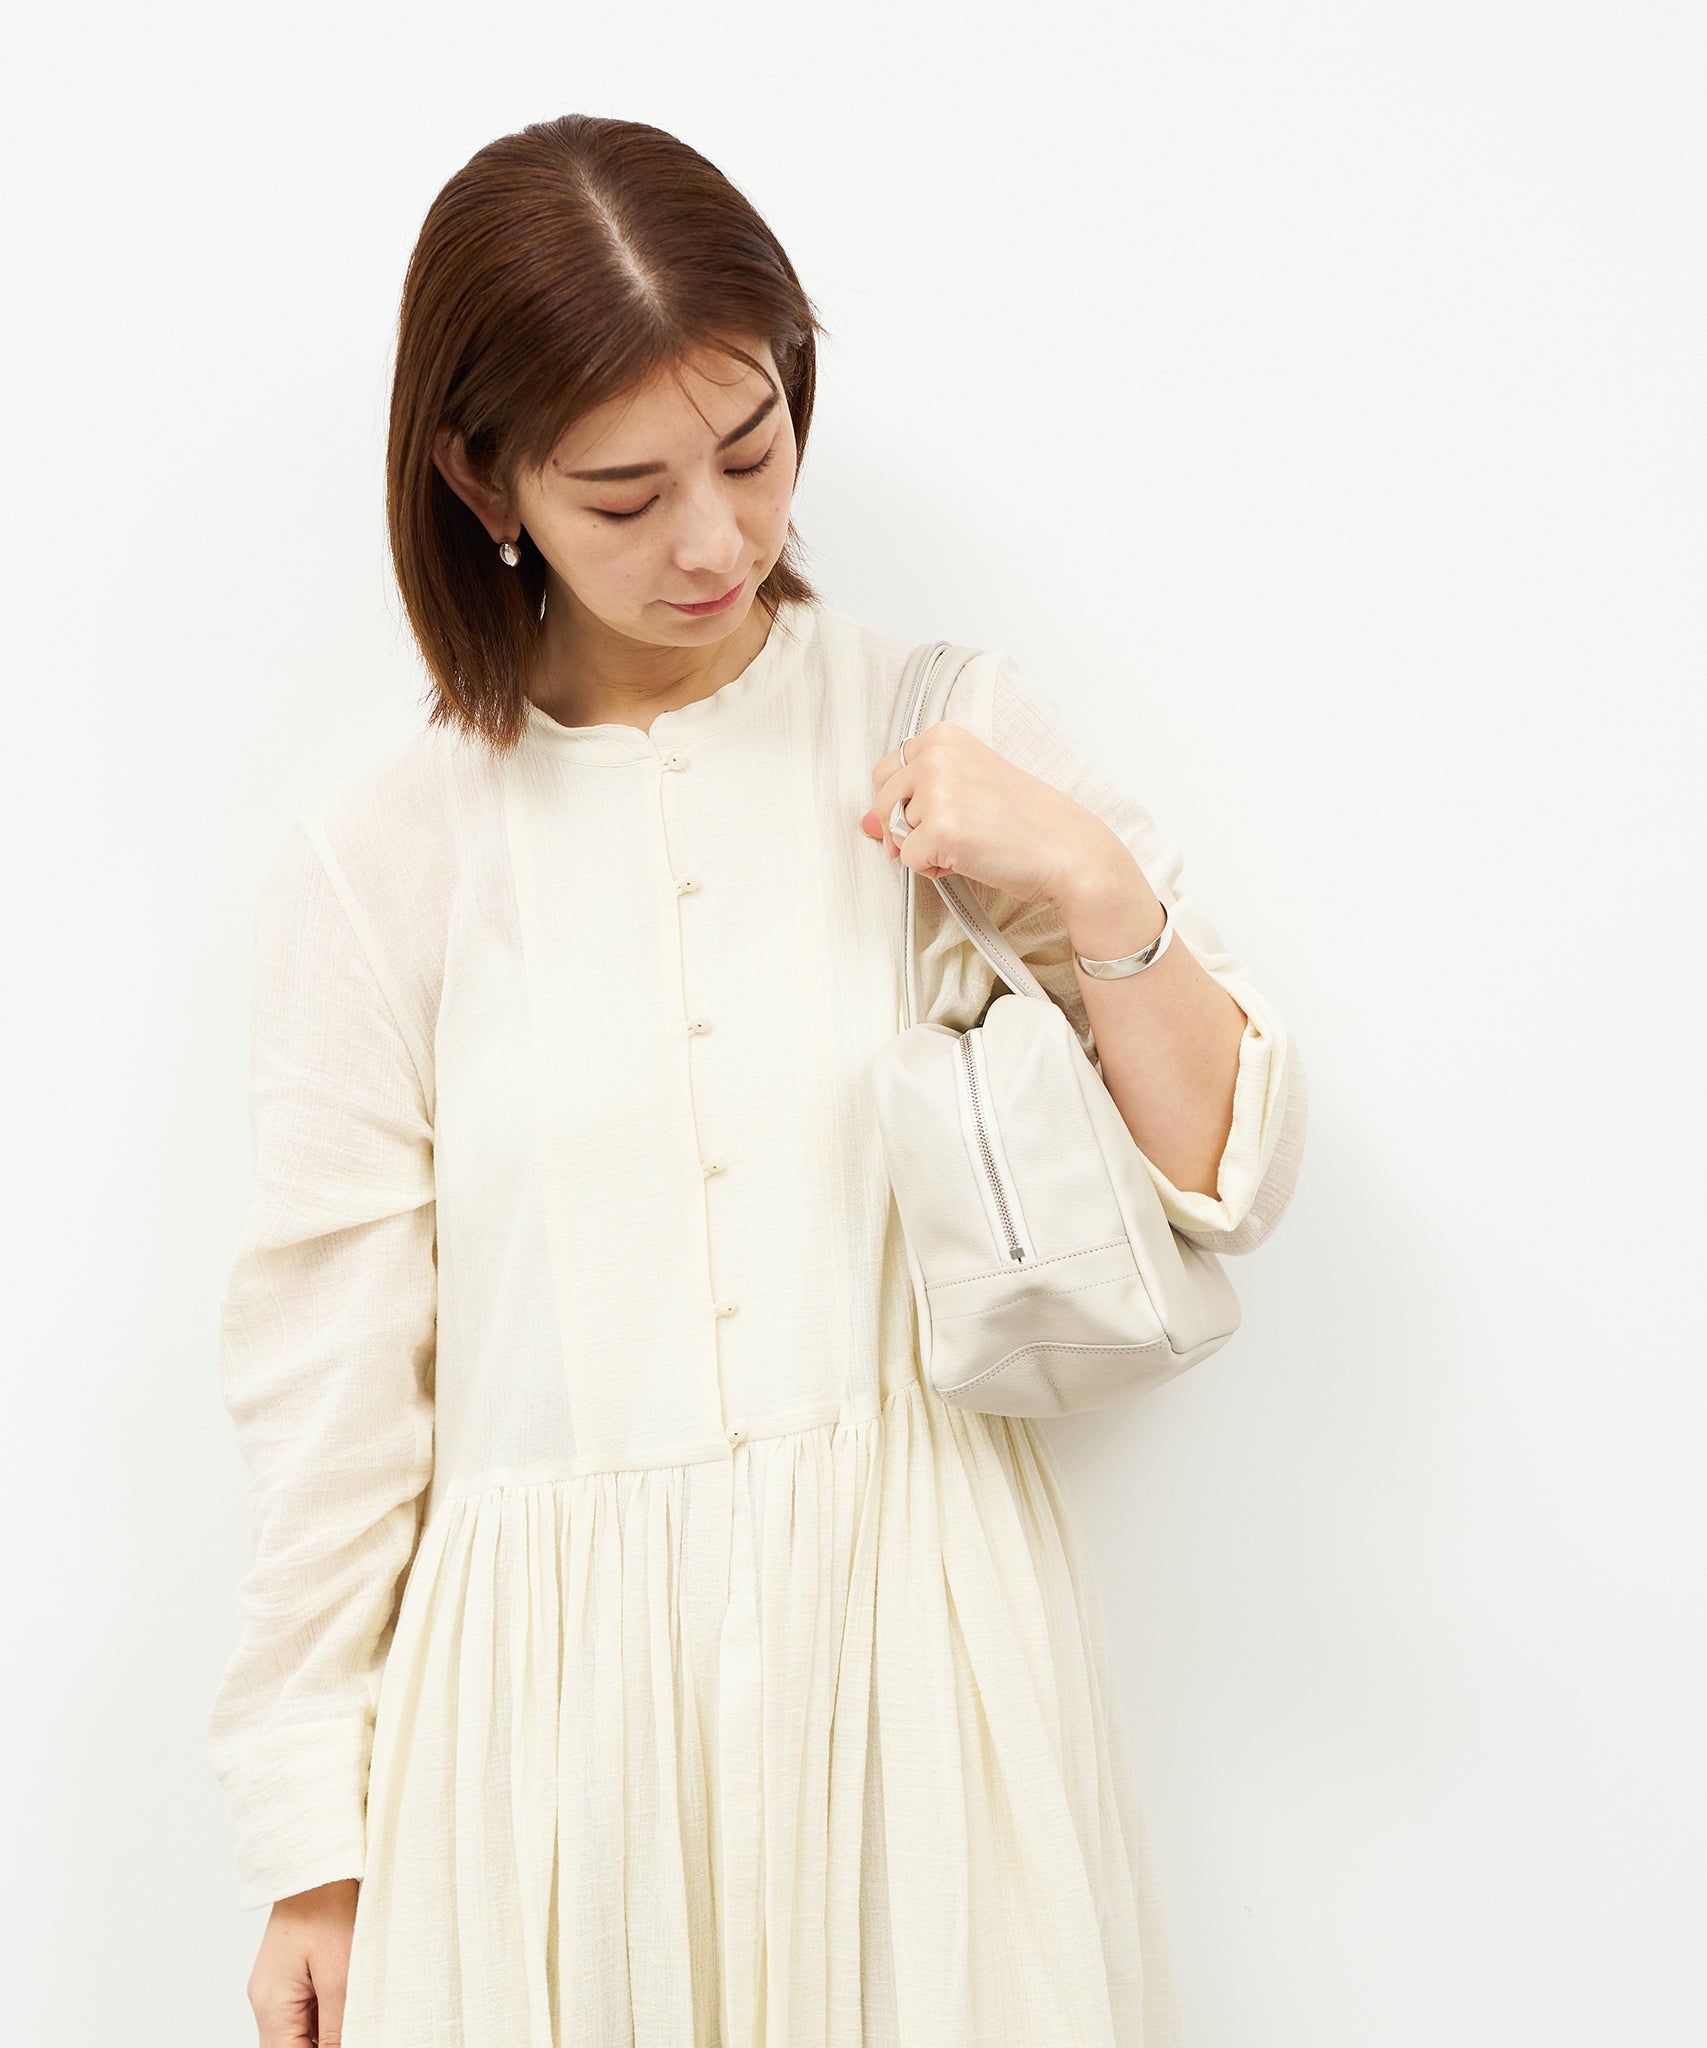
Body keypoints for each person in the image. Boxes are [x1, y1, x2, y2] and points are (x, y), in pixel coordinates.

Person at [207, 111, 1308, 2048]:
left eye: (751, 447)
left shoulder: (941, 728)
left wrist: (1085, 879)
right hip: (545, 1724)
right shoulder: (383, 860)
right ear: (480, 480)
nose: (714, 540)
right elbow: (330, 1393)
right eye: (623, 492)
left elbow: (1230, 1171)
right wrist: (316, 1850)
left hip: (916, 1651)